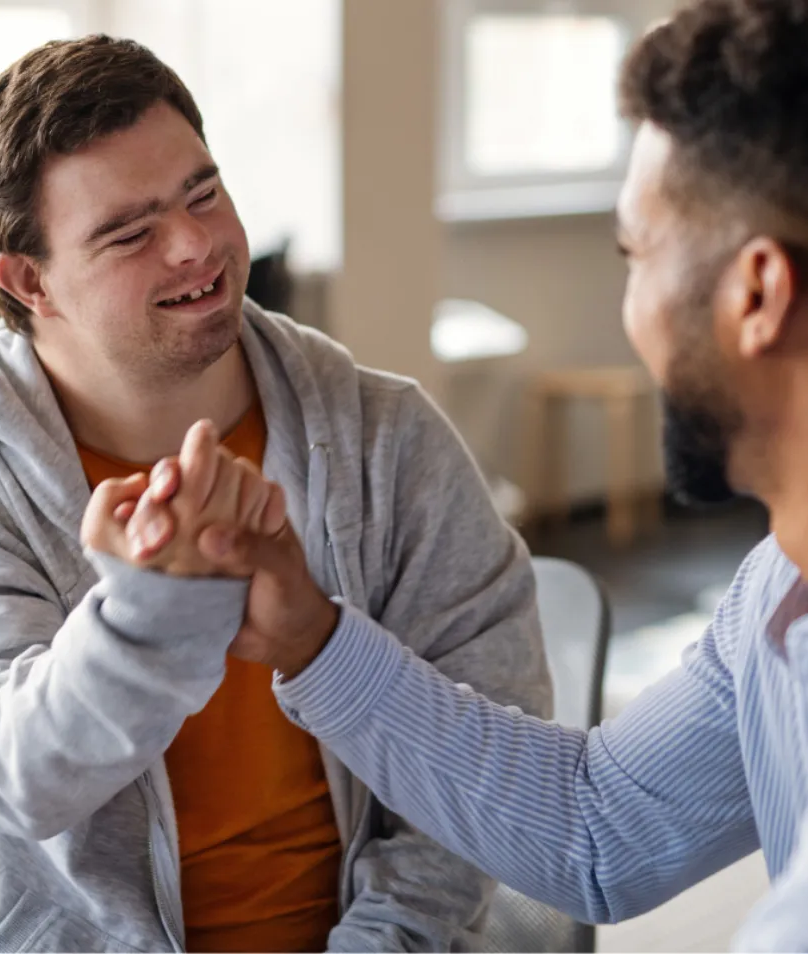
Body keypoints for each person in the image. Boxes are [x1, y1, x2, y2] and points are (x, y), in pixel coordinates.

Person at [102, 0, 808, 948]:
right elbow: (599, 832)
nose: (626, 301)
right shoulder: (776, 592)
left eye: (634, 253)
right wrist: (313, 639)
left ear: (756, 294)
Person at [0, 35, 552, 953]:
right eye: (131, 233)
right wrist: (152, 613)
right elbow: (7, 776)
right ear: (30, 280)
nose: (196, 244)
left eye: (203, 193)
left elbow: (482, 765)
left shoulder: (387, 437)